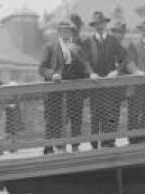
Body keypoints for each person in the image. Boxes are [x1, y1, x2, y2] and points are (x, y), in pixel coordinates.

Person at [39, 20, 94, 155]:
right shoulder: (50, 47)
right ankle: (57, 146)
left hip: (74, 89)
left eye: (69, 31)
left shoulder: (78, 48)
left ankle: (75, 145)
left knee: (76, 117)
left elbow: (85, 67)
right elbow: (42, 68)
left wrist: (91, 74)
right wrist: (52, 75)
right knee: (55, 118)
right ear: (59, 32)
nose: (66, 33)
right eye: (63, 30)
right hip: (56, 89)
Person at [84, 11, 128, 149]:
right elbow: (84, 61)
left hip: (110, 84)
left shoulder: (112, 40)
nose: (99, 26)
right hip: (95, 84)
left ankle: (109, 142)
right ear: (93, 26)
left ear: (105, 24)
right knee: (96, 113)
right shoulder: (88, 41)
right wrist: (91, 73)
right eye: (96, 24)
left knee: (111, 112)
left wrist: (117, 71)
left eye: (101, 24)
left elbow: (124, 58)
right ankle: (94, 143)